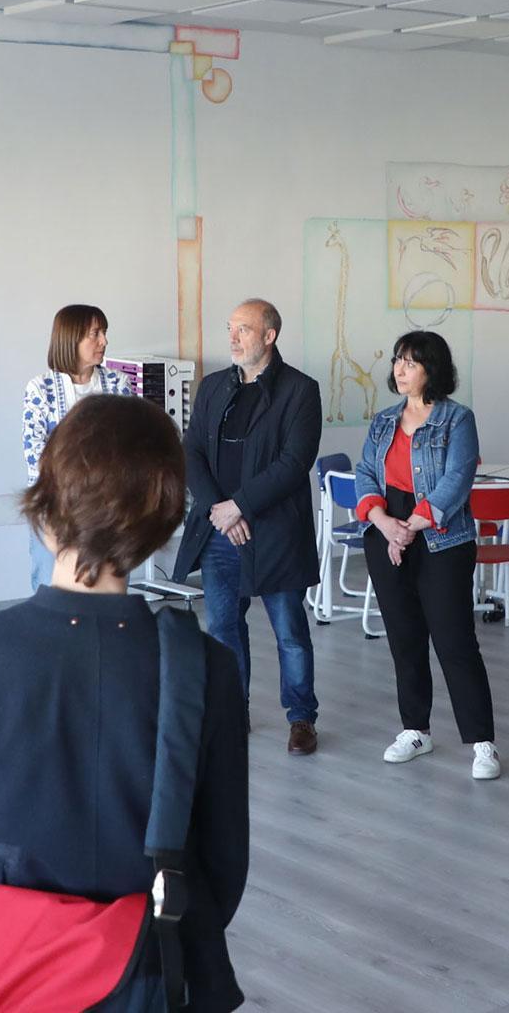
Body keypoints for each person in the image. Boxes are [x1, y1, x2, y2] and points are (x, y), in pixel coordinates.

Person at [0, 395, 248, 1011]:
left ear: (46, 504)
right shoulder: (209, 667)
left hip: (10, 969)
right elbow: (223, 868)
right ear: (166, 517)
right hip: (149, 974)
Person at [173, 299, 323, 755]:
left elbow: (294, 463)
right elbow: (192, 450)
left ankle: (301, 719)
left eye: (243, 329)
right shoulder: (214, 387)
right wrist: (221, 508)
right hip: (220, 528)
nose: (233, 338)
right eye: (230, 328)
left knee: (289, 630)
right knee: (222, 626)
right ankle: (232, 712)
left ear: (269, 335)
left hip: (274, 530)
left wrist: (240, 506)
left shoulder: (301, 390)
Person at [352, 332, 499, 780]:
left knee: (454, 641)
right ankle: (415, 729)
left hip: (440, 537)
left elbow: (456, 480)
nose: (400, 369)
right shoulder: (383, 421)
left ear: (432, 370)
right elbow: (364, 472)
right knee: (404, 636)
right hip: (386, 532)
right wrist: (383, 523)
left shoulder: (457, 419)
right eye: (398, 360)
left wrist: (410, 527)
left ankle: (482, 742)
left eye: (411, 363)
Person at [21, 304, 131, 590]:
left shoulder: (118, 384)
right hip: (57, 510)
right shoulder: (40, 388)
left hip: (108, 510)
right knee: (51, 587)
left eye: (104, 333)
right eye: (95, 334)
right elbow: (34, 452)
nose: (103, 341)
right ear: (71, 339)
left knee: (108, 590)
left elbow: (128, 448)